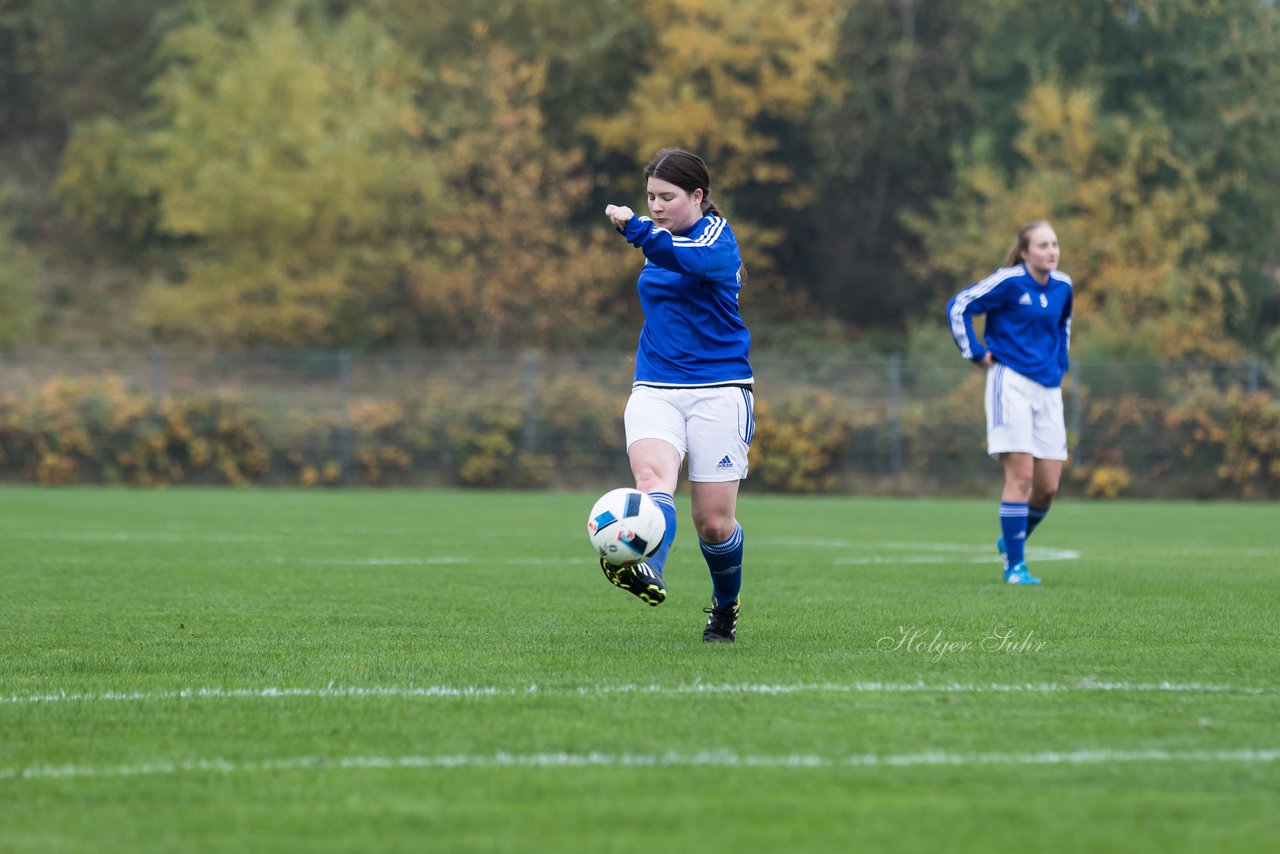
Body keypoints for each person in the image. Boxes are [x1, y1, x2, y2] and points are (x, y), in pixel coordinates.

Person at [601, 147, 755, 642]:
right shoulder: (657, 237)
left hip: (719, 390)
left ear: (698, 196)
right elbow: (663, 250)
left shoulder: (715, 237)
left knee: (713, 523)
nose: (657, 206)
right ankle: (648, 568)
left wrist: (636, 229)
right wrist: (644, 231)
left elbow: (690, 259)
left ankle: (725, 606)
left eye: (667, 197)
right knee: (653, 479)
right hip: (655, 386)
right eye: (650, 197)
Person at [946, 220, 1073, 585]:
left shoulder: (1064, 286)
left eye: (1054, 244)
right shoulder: (1008, 281)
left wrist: (1059, 364)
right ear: (1024, 252)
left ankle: (1010, 540)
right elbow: (959, 306)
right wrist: (976, 353)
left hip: (1048, 388)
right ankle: (1015, 567)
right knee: (1021, 476)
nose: (1051, 251)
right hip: (1010, 382)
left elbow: (1064, 326)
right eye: (1043, 245)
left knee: (1047, 487)